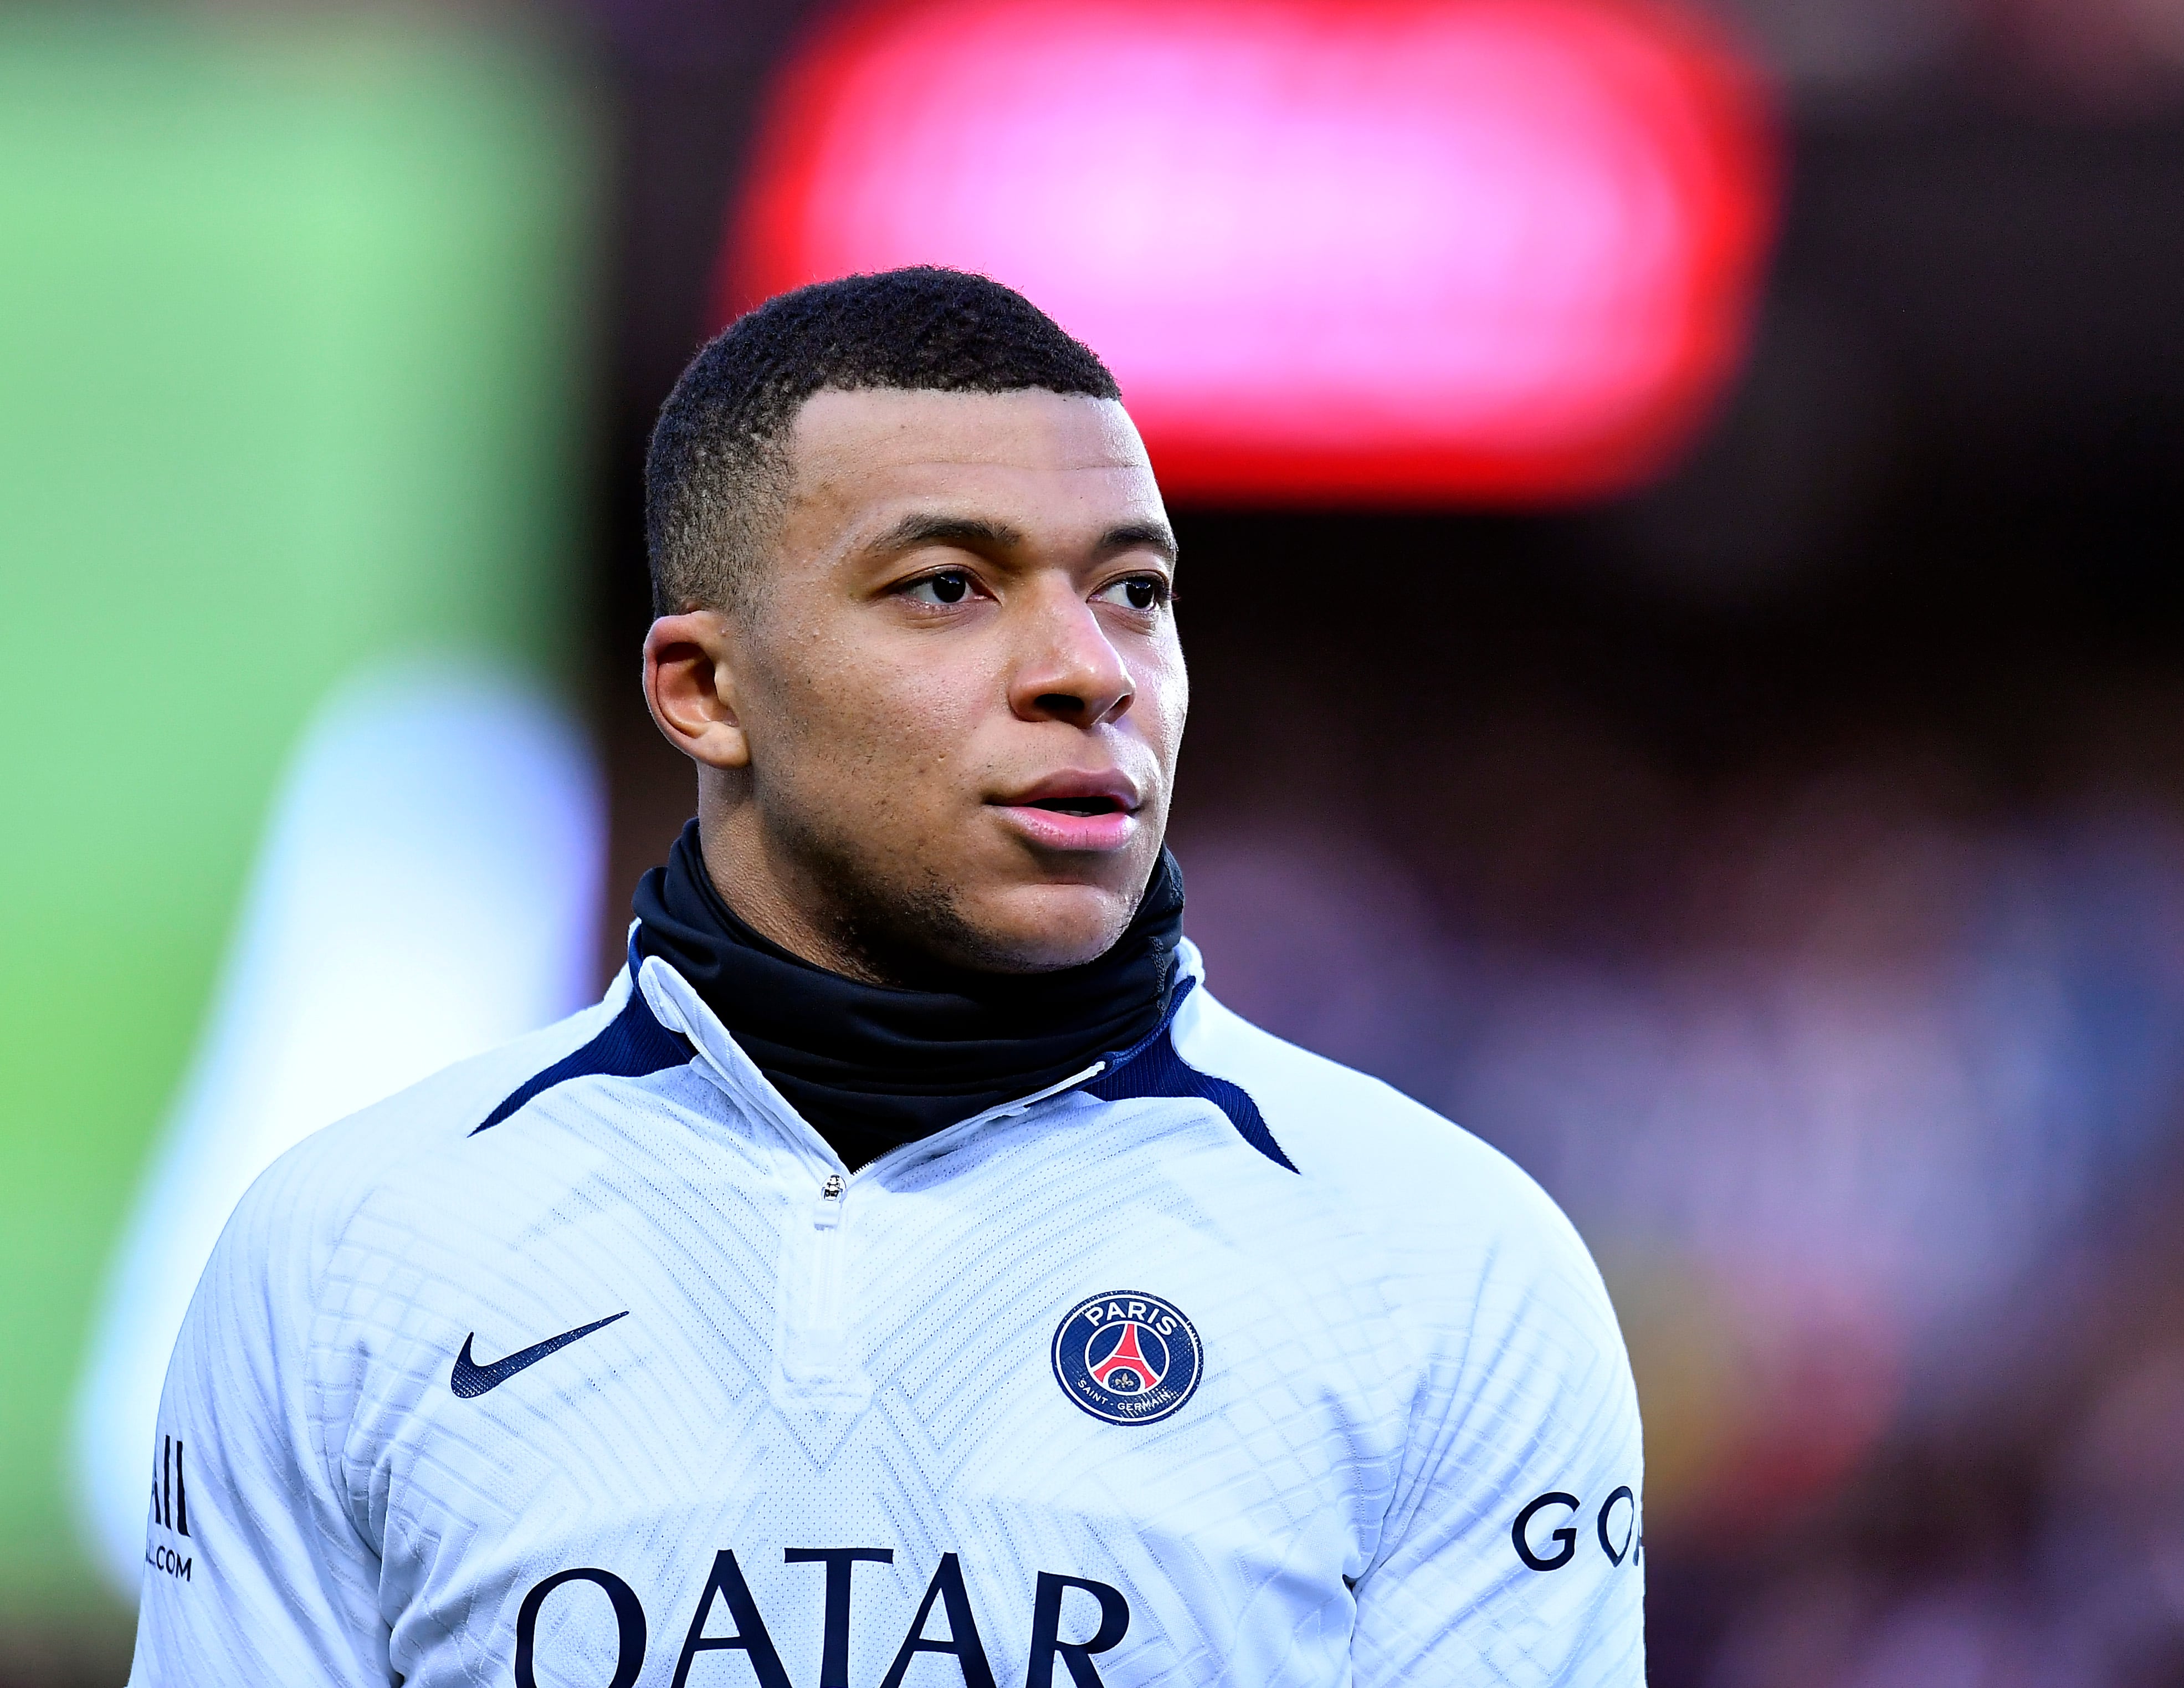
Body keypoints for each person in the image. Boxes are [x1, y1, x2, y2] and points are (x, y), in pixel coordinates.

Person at [129, 268, 1643, 1686]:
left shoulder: (1443, 1263)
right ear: (706, 691)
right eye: (946, 588)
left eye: (1131, 591)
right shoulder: (350, 1257)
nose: (1089, 670)